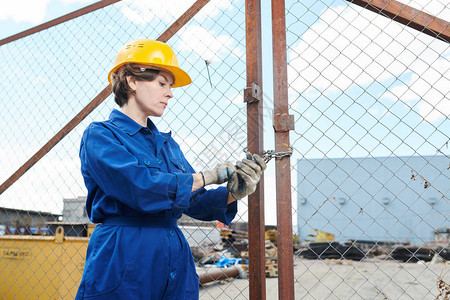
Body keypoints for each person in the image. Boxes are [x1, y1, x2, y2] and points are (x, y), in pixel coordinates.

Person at [75, 39, 266, 300]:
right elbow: (139, 187)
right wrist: (207, 176)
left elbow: (196, 202)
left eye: (170, 86)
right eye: (162, 83)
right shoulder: (101, 136)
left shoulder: (167, 145)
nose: (170, 93)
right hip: (125, 250)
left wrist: (235, 191)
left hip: (172, 253)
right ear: (132, 81)